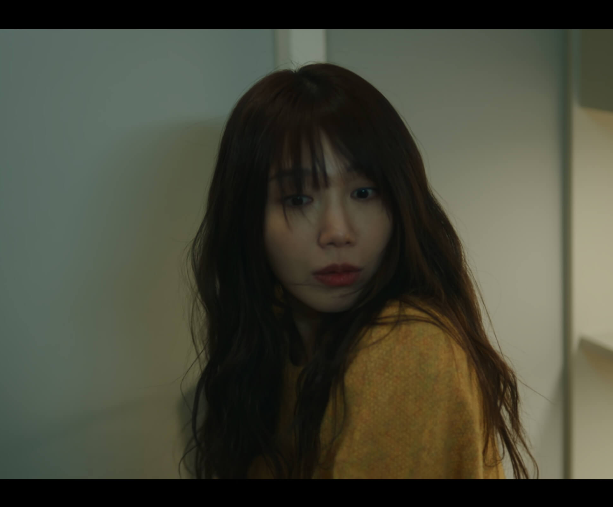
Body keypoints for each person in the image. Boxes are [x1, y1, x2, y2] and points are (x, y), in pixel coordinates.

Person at [179, 63, 539, 479]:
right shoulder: (275, 342)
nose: (338, 232)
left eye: (364, 192)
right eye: (298, 199)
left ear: (401, 202)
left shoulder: (404, 349)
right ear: (246, 217)